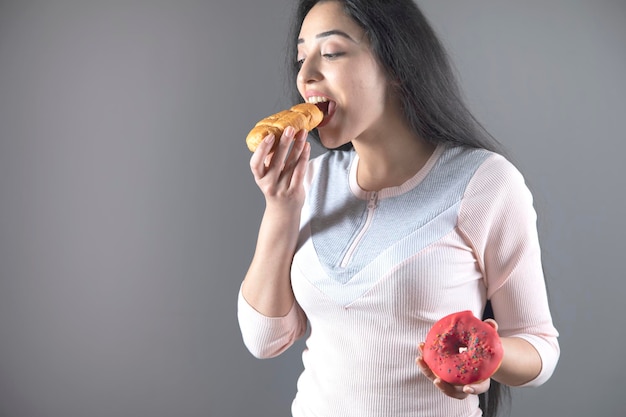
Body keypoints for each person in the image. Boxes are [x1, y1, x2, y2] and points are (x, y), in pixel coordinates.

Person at [237, 1, 560, 416]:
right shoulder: (309, 182)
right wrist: (280, 209)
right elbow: (265, 339)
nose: (305, 75)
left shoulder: (485, 183)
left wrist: (487, 360)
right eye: (302, 58)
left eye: (331, 52)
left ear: (396, 64)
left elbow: (538, 345)